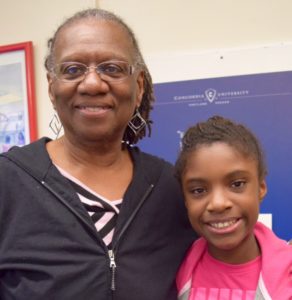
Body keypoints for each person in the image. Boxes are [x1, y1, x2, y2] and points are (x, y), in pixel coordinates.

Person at [0, 8, 196, 300]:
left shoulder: (171, 187)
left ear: (138, 86)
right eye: (72, 69)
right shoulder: (8, 182)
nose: (92, 84)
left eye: (112, 68)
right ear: (52, 87)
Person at [175, 116, 292, 299]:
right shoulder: (176, 267)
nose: (218, 204)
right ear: (185, 199)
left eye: (237, 184)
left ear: (261, 188)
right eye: (198, 190)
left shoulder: (288, 275)